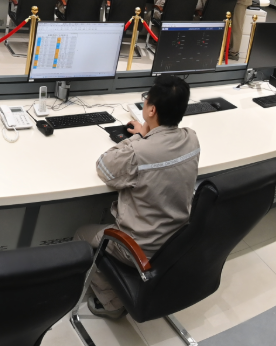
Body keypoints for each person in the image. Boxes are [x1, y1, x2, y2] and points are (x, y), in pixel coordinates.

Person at [75, 75, 200, 319]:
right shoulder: (192, 137)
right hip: (176, 243)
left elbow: (104, 166)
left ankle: (111, 304)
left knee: (81, 235)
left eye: (146, 100)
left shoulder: (138, 152)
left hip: (139, 248)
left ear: (151, 110)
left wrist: (138, 136)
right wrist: (148, 132)